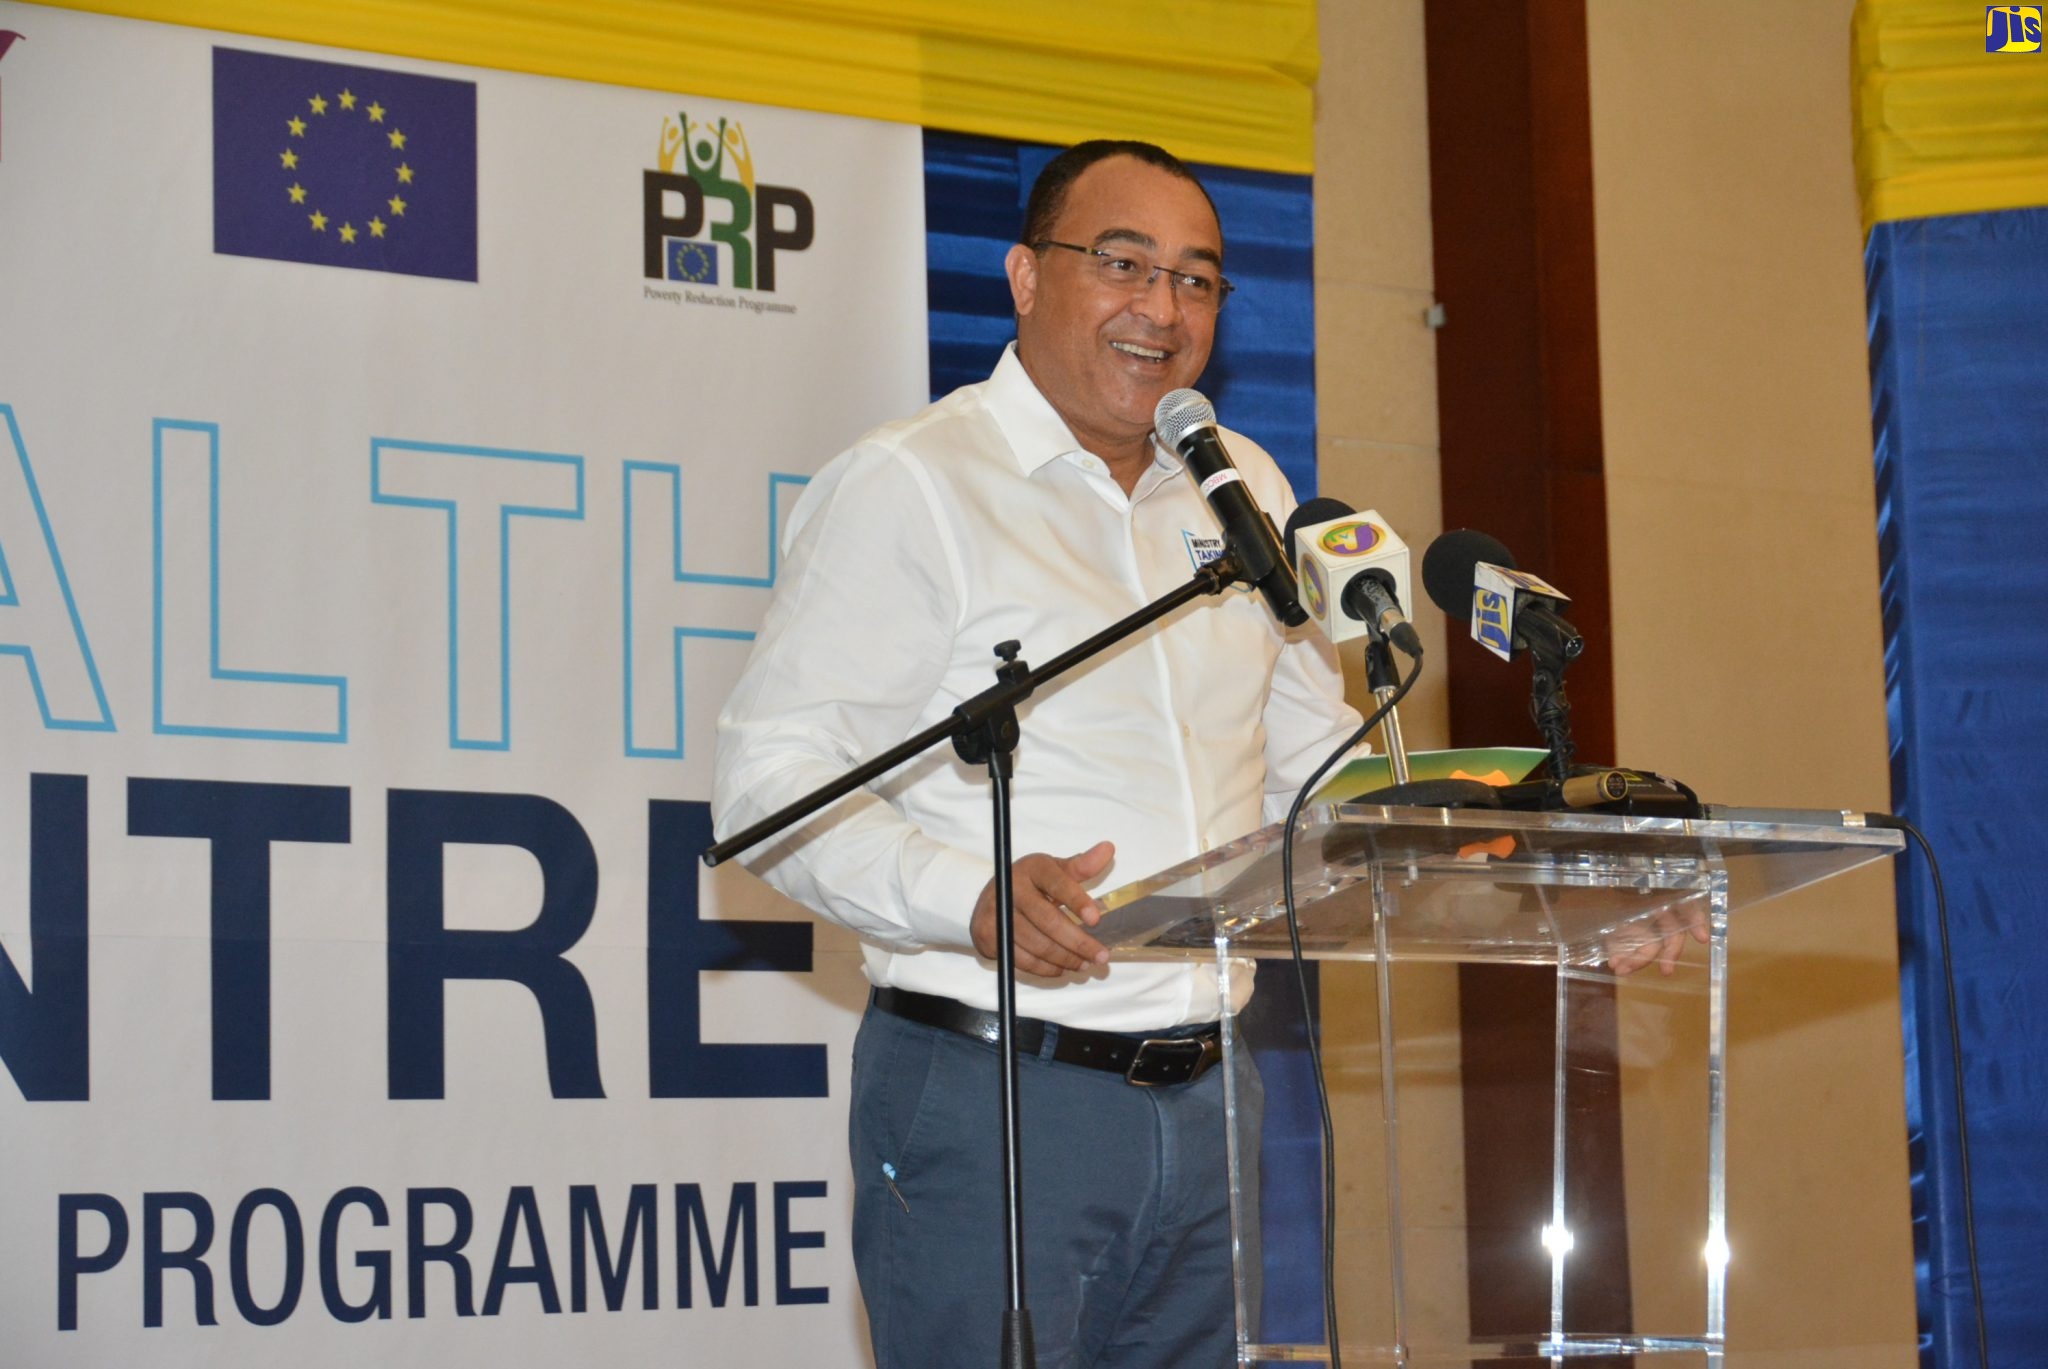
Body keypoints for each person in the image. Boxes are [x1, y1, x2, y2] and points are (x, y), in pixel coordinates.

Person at [712, 140, 1364, 1368]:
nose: (1161, 308)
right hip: (996, 1088)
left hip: (1215, 1096)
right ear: (1022, 276)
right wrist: (964, 897)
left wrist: (1548, 870)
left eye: (1196, 279)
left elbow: (1313, 768)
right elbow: (769, 787)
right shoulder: (915, 484)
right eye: (1123, 264)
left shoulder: (1241, 491)